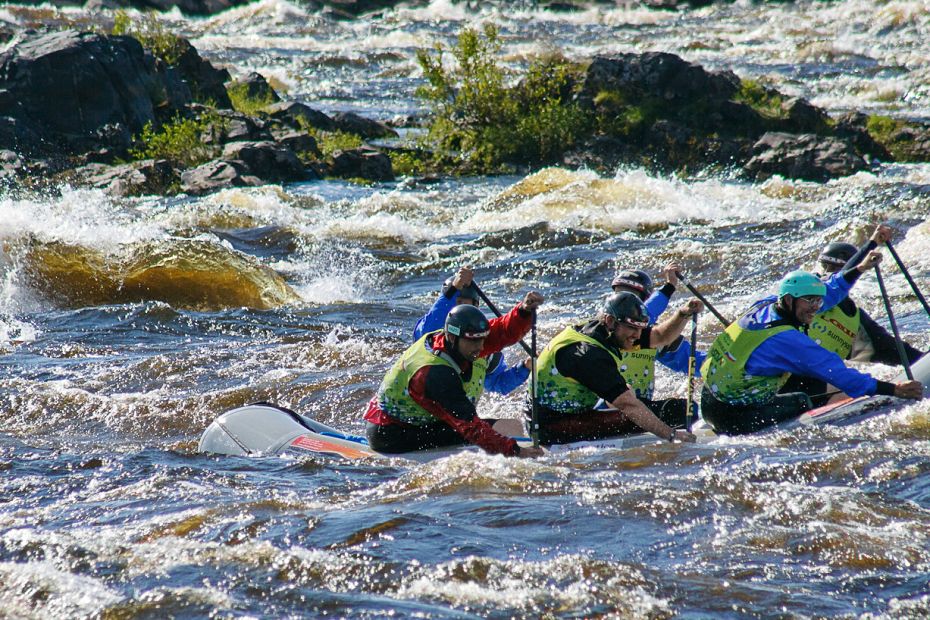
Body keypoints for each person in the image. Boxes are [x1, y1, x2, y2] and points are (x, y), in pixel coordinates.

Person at [701, 249, 924, 435]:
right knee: (801, 401)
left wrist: (859, 269)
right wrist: (893, 390)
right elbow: (838, 373)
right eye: (811, 301)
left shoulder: (767, 305)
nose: (817, 307)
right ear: (789, 300)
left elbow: (831, 291)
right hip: (734, 416)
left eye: (818, 301)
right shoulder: (786, 339)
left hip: (710, 398)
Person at [365, 291, 546, 457]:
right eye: (474, 342)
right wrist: (516, 452)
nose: (481, 347)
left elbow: (502, 332)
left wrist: (523, 312)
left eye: (482, 340)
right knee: (492, 432)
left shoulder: (464, 340)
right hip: (391, 433)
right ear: (452, 337)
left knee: (511, 426)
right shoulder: (435, 373)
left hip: (423, 421)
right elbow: (471, 428)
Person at [530, 291, 702, 445]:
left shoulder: (604, 330)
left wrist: (683, 314)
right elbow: (629, 406)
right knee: (676, 412)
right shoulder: (588, 354)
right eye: (632, 328)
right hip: (552, 428)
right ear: (611, 321)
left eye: (640, 328)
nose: (637, 335)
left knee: (666, 407)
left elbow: (659, 336)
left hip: (565, 414)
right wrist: (671, 435)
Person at [780, 232, 926, 406]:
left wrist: (924, 362)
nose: (822, 277)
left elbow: (898, 353)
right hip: (776, 385)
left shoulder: (856, 324)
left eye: (829, 270)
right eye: (822, 269)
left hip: (810, 388)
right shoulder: (799, 305)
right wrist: (870, 244)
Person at [413, 266, 530, 395]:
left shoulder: (483, 345)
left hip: (461, 411)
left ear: (476, 308)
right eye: (457, 303)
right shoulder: (431, 338)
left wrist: (525, 367)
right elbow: (427, 327)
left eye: (465, 305)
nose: (460, 311)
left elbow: (499, 384)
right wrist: (453, 289)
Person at [610, 263, 706, 415]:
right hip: (607, 406)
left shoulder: (654, 336)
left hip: (640, 407)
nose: (624, 303)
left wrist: (727, 362)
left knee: (689, 410)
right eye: (620, 295)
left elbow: (693, 362)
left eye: (631, 297)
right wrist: (669, 287)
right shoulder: (603, 328)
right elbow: (649, 311)